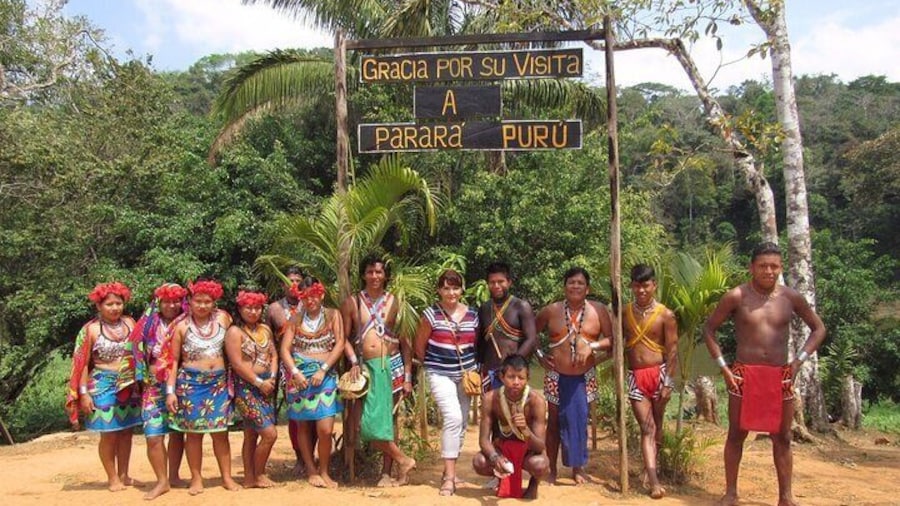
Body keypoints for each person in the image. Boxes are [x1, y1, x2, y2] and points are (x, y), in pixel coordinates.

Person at [704, 242, 826, 506]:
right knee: (737, 433)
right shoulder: (736, 296)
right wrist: (724, 367)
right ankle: (731, 492)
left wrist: (799, 362)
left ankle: (786, 497)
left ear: (781, 268)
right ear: (752, 267)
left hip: (780, 374)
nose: (769, 271)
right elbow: (709, 330)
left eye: (774, 266)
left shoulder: (791, 298)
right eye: (763, 266)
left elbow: (818, 329)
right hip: (742, 374)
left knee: (781, 436)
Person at [341, 255, 416, 487]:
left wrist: (408, 376)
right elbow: (343, 338)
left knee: (388, 419)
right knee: (363, 423)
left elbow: (406, 342)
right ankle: (403, 459)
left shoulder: (396, 302)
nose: (375, 276)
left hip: (390, 364)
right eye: (370, 272)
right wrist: (353, 361)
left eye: (379, 272)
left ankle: (388, 472)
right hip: (363, 368)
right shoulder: (353, 302)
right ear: (363, 275)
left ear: (385, 276)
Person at [534, 266, 612, 485]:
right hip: (555, 375)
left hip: (583, 376)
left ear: (587, 289)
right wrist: (540, 355)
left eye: (580, 283)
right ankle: (551, 469)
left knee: (579, 421)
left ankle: (578, 468)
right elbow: (531, 333)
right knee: (554, 423)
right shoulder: (551, 311)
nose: (575, 286)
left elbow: (612, 342)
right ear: (564, 286)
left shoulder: (598, 311)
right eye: (571, 282)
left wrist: (591, 347)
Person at [164, 279, 240, 495]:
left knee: (220, 433)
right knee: (193, 434)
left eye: (207, 301)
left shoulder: (224, 319)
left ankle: (226, 477)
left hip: (218, 384)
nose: (203, 305)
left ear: (214, 302)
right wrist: (170, 392)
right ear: (189, 301)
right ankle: (196, 479)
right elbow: (173, 361)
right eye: (198, 301)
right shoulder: (181, 327)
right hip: (190, 386)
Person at [66, 281, 142, 492]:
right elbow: (81, 363)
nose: (115, 308)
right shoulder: (90, 330)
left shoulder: (130, 323)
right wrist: (84, 394)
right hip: (101, 385)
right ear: (99, 306)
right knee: (108, 433)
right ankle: (112, 478)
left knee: (127, 431)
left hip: (128, 385)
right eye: (109, 304)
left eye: (118, 303)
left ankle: (125, 475)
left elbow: (139, 352)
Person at [414, 269, 480, 496]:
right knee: (452, 417)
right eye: (446, 287)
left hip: (466, 375)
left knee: (461, 423)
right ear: (439, 290)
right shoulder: (431, 314)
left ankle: (447, 471)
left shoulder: (473, 314)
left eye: (455, 287)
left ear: (462, 289)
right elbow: (420, 345)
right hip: (439, 373)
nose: (451, 292)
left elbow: (476, 346)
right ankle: (450, 479)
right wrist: (431, 366)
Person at [281, 276, 345, 489]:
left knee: (325, 428)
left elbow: (340, 344)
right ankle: (311, 469)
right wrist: (295, 372)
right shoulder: (295, 319)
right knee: (303, 426)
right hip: (299, 378)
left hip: (324, 376)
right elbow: (285, 350)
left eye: (314, 296)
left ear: (322, 295)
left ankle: (325, 470)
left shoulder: (333, 315)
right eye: (306, 297)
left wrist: (323, 369)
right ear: (301, 297)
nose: (311, 301)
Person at [624, 264, 678, 499]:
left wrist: (668, 382)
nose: (642, 290)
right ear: (631, 286)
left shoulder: (666, 315)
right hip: (636, 376)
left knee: (657, 424)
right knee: (647, 427)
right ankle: (654, 482)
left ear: (654, 285)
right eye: (637, 285)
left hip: (659, 374)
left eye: (646, 285)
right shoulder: (624, 313)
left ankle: (652, 469)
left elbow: (673, 350)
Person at [130, 282, 189, 499]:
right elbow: (136, 351)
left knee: (177, 432)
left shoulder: (188, 322)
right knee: (153, 435)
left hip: (182, 385)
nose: (172, 305)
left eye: (176, 301)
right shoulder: (147, 324)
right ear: (159, 302)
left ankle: (173, 476)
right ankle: (161, 481)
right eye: (167, 301)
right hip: (153, 386)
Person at [472, 354, 549, 499]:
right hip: (501, 451)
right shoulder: (490, 399)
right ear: (501, 377)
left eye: (521, 378)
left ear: (528, 379)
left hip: (527, 452)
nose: (516, 382)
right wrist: (496, 458)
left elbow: (540, 446)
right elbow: (483, 440)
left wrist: (525, 430)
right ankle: (502, 475)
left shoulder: (536, 401)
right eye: (511, 377)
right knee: (479, 462)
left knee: (540, 464)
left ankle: (534, 484)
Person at [225, 288, 278, 488]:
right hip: (246, 388)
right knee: (270, 434)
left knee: (251, 433)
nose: (253, 312)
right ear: (239, 309)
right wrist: (258, 382)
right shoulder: (234, 332)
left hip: (266, 385)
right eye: (249, 308)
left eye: (257, 308)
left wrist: (271, 378)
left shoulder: (265, 329)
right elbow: (237, 365)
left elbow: (273, 354)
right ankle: (258, 474)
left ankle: (249, 478)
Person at [267, 266, 306, 472]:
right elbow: (270, 339)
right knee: (296, 414)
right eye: (290, 280)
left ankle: (311, 457)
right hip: (287, 366)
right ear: (282, 284)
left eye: (298, 281)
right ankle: (301, 458)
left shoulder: (312, 304)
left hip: (312, 362)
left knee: (314, 412)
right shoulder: (274, 309)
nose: (295, 285)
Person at [477, 262, 538, 392]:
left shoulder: (521, 306)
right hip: (490, 372)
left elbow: (531, 339)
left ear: (509, 282)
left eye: (501, 281)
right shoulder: (484, 308)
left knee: (513, 410)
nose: (496, 286)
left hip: (513, 374)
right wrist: (478, 367)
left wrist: (510, 365)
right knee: (490, 410)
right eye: (492, 282)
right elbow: (481, 342)